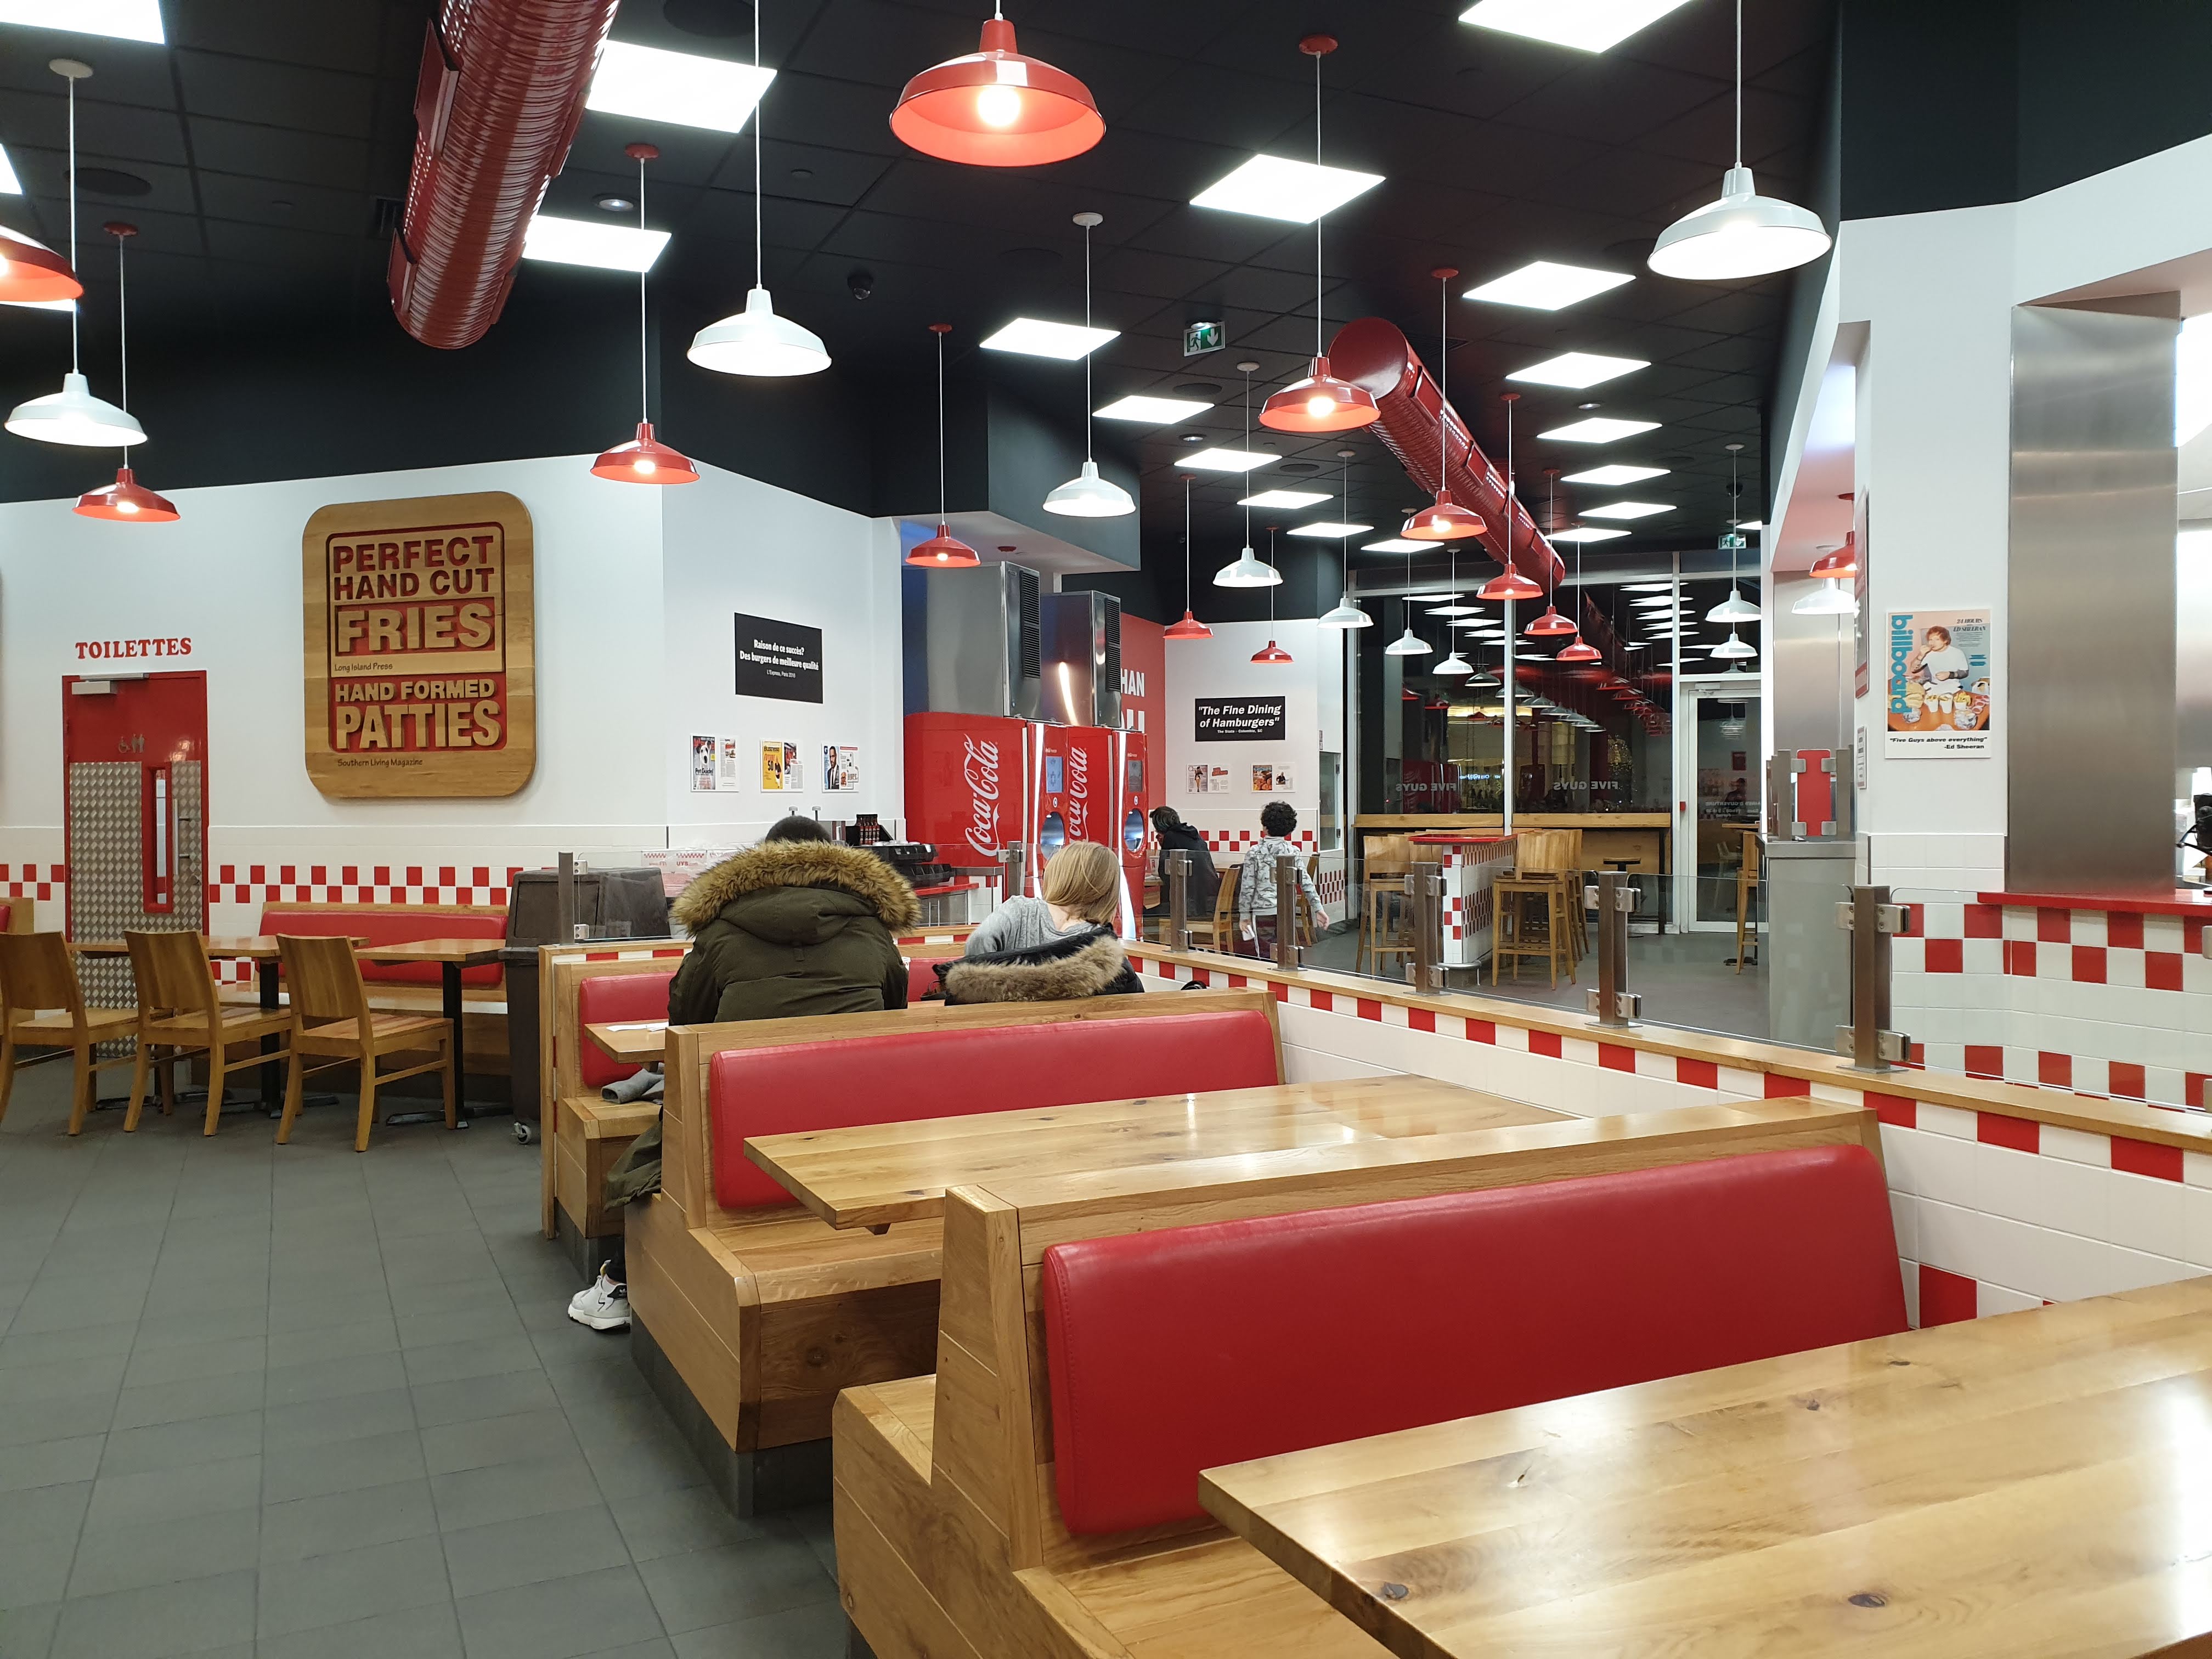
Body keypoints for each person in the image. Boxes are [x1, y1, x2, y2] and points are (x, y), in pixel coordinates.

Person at [569, 816, 921, 1331]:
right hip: (855, 1118)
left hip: (742, 1115)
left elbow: (684, 1023)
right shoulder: (874, 930)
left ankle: (620, 1283)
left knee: (654, 1155)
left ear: (761, 862)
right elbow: (892, 1018)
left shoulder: (722, 929)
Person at [938, 840, 1142, 1002]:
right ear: (1108, 892)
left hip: (999, 1030)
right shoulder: (1105, 949)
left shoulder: (1018, 908)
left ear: (1058, 875)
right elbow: (1134, 1003)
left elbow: (980, 939)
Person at [1235, 801, 1324, 960]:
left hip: (1263, 911)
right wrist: (1318, 908)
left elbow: (1247, 887)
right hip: (1287, 910)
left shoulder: (1254, 852)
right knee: (1287, 951)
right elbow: (1306, 882)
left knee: (1265, 954)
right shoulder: (1293, 851)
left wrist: (1244, 915)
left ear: (1265, 826)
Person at [1149, 805, 1220, 917]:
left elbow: (1164, 872)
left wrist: (1163, 844)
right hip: (1210, 902)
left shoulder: (1171, 836)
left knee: (1141, 914)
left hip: (1190, 906)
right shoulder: (1194, 835)